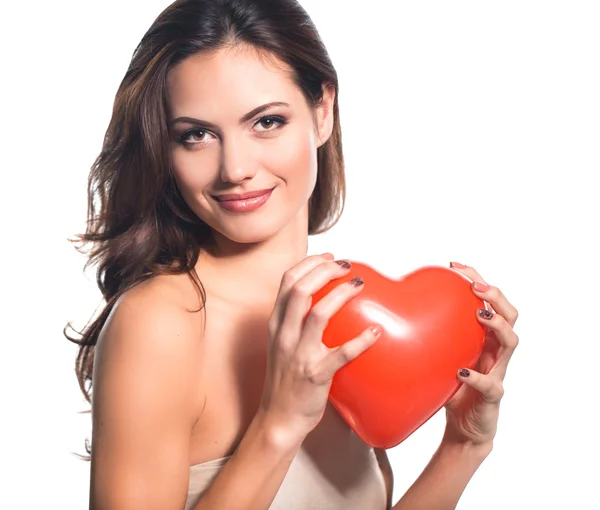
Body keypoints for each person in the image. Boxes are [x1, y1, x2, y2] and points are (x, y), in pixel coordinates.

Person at [67, 0, 520, 509]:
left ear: (322, 111)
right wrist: (278, 425)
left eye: (266, 122)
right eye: (196, 135)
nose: (234, 167)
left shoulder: (341, 313)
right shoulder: (162, 324)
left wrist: (463, 447)